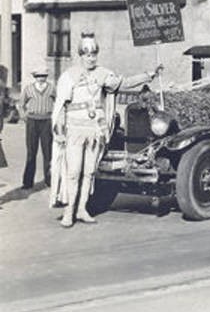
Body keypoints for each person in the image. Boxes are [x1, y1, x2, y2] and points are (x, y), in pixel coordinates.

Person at [51, 33, 162, 228]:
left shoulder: (103, 74)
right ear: (80, 55)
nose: (91, 58)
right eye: (87, 54)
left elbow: (124, 83)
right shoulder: (69, 76)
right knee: (74, 171)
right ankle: (69, 211)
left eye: (94, 54)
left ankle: (82, 209)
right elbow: (60, 106)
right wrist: (59, 131)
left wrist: (149, 75)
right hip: (74, 130)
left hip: (95, 132)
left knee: (89, 172)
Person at [19, 67, 55, 190]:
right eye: (39, 76)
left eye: (43, 76)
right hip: (32, 122)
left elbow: (60, 101)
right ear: (35, 77)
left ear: (46, 76)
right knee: (31, 152)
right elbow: (21, 104)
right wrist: (23, 115)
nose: (41, 78)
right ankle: (28, 182)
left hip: (47, 121)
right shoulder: (29, 88)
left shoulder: (51, 88)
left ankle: (49, 180)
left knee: (48, 153)